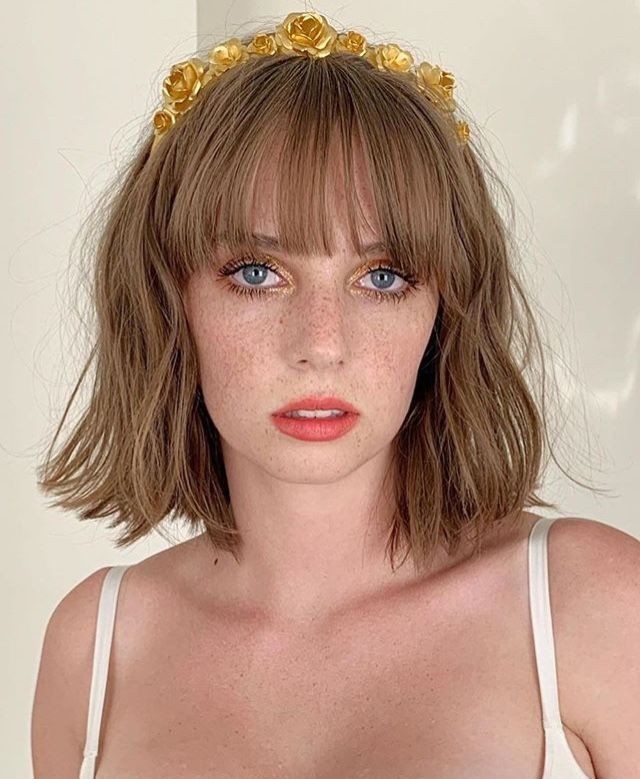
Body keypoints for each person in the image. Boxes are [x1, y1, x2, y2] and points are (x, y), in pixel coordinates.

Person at [29, 10, 638, 779]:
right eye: (257, 273)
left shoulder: (593, 608)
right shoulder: (94, 650)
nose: (321, 342)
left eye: (381, 277)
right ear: (167, 300)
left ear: (445, 312)